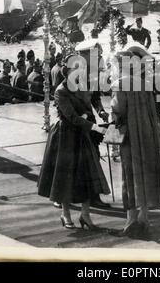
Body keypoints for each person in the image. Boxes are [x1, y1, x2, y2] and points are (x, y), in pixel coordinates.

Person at [37, 55, 110, 230]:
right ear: (67, 71)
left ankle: (85, 215)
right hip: (65, 137)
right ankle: (66, 214)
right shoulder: (61, 91)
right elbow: (71, 117)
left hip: (83, 134)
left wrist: (99, 112)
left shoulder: (83, 84)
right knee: (65, 178)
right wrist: (94, 126)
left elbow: (93, 99)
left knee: (87, 175)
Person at [110, 46, 160, 237]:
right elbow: (159, 105)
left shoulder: (120, 83)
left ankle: (130, 221)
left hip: (132, 135)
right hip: (148, 133)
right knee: (145, 174)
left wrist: (113, 118)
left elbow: (118, 109)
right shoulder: (146, 82)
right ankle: (144, 219)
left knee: (130, 175)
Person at [75, 39, 111, 209]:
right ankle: (63, 197)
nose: (99, 58)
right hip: (75, 123)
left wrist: (101, 110)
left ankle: (94, 196)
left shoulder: (93, 74)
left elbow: (95, 97)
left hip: (89, 120)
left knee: (94, 156)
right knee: (73, 161)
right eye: (96, 55)